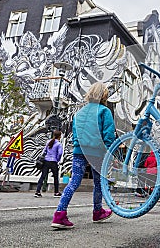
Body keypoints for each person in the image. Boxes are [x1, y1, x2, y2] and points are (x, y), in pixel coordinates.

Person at [51, 82, 115, 229]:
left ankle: (60, 213)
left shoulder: (79, 113)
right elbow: (109, 135)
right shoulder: (104, 111)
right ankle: (97, 211)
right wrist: (109, 152)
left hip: (79, 152)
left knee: (74, 181)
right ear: (104, 95)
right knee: (98, 183)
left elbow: (75, 134)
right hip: (97, 153)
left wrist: (78, 147)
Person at [34, 130, 63, 198]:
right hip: (53, 162)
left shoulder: (48, 142)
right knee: (55, 177)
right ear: (59, 136)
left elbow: (44, 151)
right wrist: (57, 159)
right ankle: (56, 192)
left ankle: (37, 191)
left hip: (46, 161)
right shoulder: (59, 144)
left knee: (43, 176)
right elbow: (60, 153)